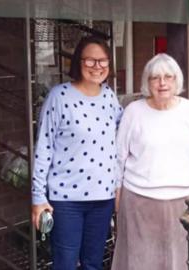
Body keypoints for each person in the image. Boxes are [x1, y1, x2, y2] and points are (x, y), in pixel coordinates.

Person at [31, 36, 123, 270]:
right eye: (90, 60)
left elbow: (126, 132)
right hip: (66, 200)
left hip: (102, 198)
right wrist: (38, 198)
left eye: (103, 61)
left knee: (93, 263)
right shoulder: (59, 96)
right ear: (78, 63)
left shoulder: (109, 96)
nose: (97, 67)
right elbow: (43, 148)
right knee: (65, 264)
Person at [111, 53, 189, 270]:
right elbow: (119, 156)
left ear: (177, 80)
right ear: (147, 82)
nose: (162, 83)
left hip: (185, 201)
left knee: (181, 260)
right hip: (139, 199)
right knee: (140, 260)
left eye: (168, 77)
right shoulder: (134, 111)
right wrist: (117, 191)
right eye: (155, 78)